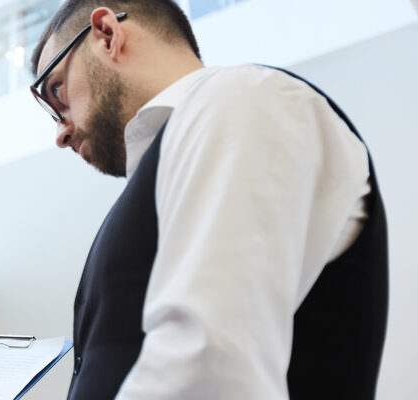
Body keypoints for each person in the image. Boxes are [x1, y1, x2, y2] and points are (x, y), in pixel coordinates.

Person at [28, 1, 387, 399]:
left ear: (108, 34)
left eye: (56, 90)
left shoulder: (244, 99)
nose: (60, 133)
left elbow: (207, 366)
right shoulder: (184, 154)